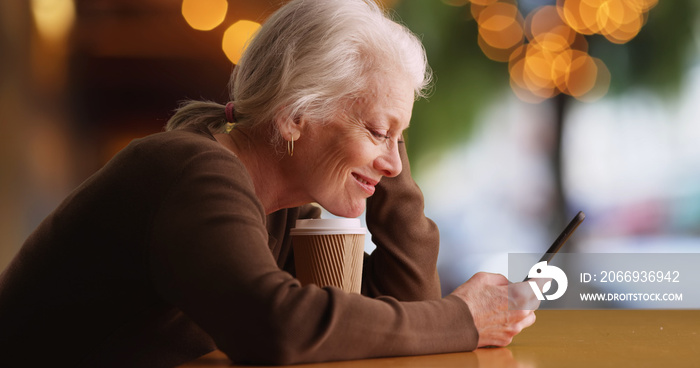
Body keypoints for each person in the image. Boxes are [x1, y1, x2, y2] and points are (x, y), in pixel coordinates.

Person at [0, 0, 539, 366]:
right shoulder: (193, 171)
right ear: (294, 115)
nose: (395, 164)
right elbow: (276, 328)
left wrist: (385, 136)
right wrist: (462, 318)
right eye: (377, 130)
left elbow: (404, 319)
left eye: (401, 139)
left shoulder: (281, 203)